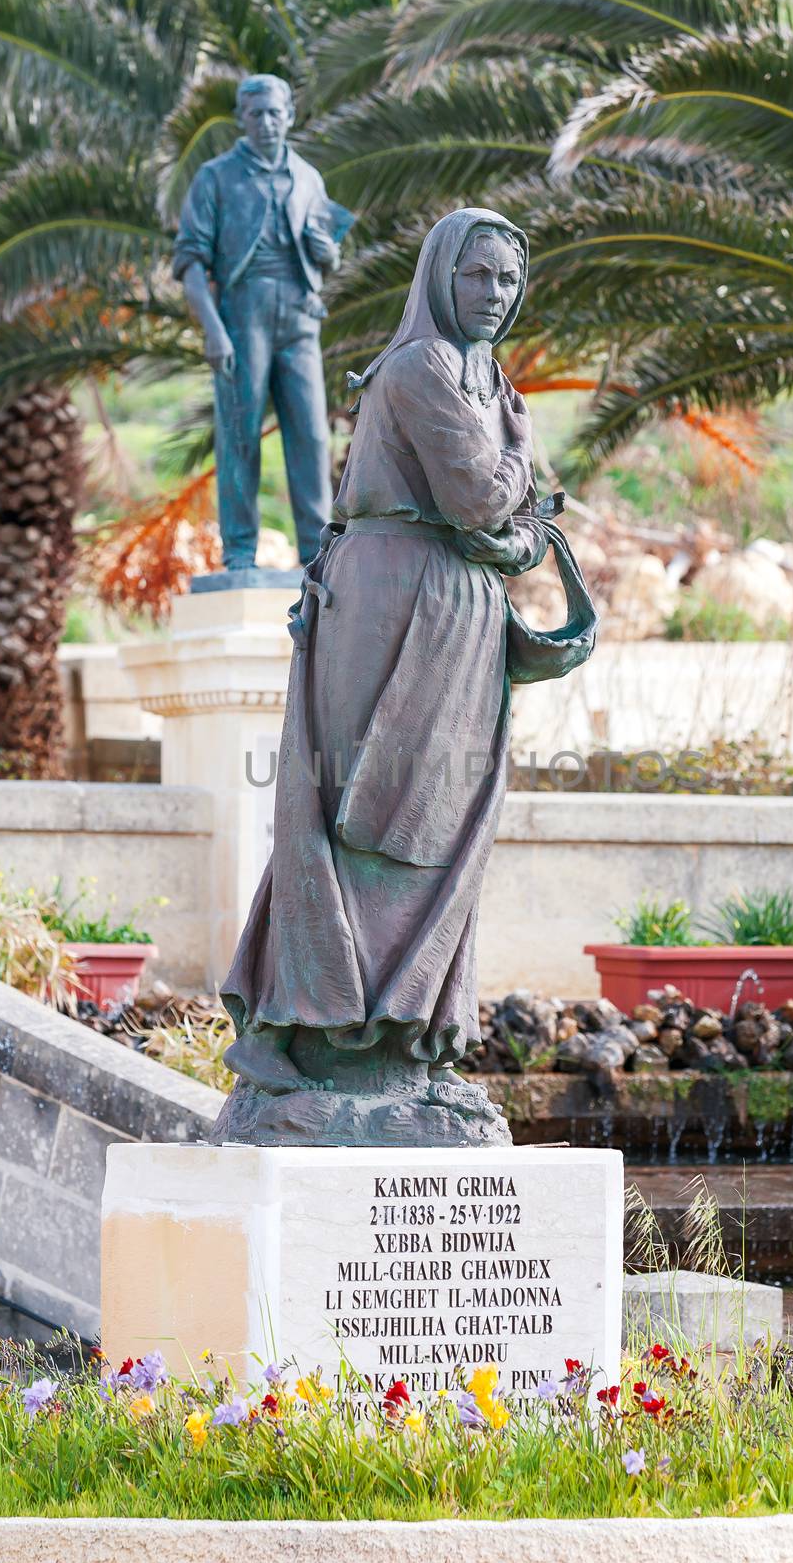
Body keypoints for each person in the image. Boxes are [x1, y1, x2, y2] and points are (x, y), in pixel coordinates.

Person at [214, 207, 561, 1146]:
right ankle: (320, 1031)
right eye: (476, 276)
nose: (494, 295)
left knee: (439, 825)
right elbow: (485, 498)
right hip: (387, 602)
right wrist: (520, 468)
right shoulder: (416, 371)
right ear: (440, 278)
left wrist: (514, 507)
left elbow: (519, 533)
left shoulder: (486, 380)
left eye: (505, 279)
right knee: (364, 815)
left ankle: (403, 1041)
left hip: (459, 614)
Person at [173, 73, 343, 570]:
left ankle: (318, 555)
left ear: (289, 114)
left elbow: (324, 254)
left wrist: (327, 255)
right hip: (242, 313)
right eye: (256, 113)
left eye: (275, 112)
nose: (267, 122)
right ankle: (241, 553)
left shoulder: (309, 177)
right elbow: (190, 264)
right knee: (240, 434)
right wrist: (214, 330)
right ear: (241, 119)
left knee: (311, 435)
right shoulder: (216, 177)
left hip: (299, 315)